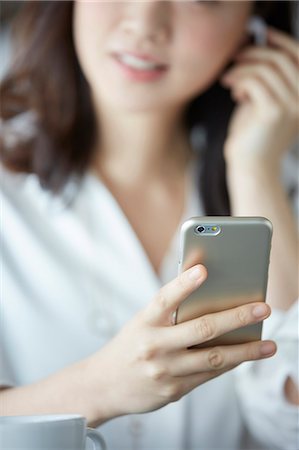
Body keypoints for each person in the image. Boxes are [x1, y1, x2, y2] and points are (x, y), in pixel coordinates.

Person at [0, 1, 298, 449]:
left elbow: (288, 428)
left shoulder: (281, 187)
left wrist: (254, 171)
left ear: (253, 26)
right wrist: (101, 387)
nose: (143, 22)